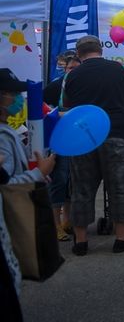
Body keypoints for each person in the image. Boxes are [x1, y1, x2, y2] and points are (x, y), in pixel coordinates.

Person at [63, 36, 124, 255]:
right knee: (121, 185)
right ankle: (122, 238)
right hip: (117, 132)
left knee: (81, 188)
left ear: (79, 54)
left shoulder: (71, 76)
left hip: (83, 138)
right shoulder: (120, 69)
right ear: (100, 50)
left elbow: (66, 106)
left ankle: (80, 242)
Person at [1, 69, 56, 321]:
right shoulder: (2, 137)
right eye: (13, 93)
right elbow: (7, 185)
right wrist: (37, 174)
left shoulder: (6, 131)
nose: (18, 99)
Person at [43, 51, 80, 240]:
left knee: (72, 182)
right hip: (59, 141)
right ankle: (55, 225)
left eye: (75, 68)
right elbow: (46, 112)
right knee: (59, 180)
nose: (72, 71)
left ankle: (67, 221)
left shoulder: (84, 87)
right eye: (69, 68)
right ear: (64, 69)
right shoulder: (55, 87)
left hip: (78, 141)